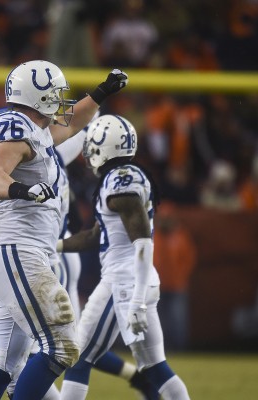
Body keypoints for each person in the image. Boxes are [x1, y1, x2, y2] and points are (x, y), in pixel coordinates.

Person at [0, 61, 128, 400]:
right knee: (63, 345)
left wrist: (101, 92)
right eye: (53, 94)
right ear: (36, 96)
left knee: (5, 361)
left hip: (12, 252)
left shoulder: (34, 127)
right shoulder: (15, 127)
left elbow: (73, 122)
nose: (60, 101)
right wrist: (21, 190)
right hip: (17, 251)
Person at [57, 114, 190, 399]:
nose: (89, 152)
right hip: (128, 279)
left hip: (125, 283)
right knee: (154, 368)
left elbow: (143, 244)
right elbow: (95, 236)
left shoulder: (121, 182)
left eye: (93, 146)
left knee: (80, 358)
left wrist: (138, 299)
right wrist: (53, 246)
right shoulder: (122, 177)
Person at [153, 201, 197, 351]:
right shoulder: (152, 236)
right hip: (156, 287)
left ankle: (180, 349)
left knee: (178, 319)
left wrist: (181, 276)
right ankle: (158, 350)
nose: (165, 221)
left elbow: (188, 259)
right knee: (157, 320)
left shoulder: (180, 235)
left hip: (177, 285)